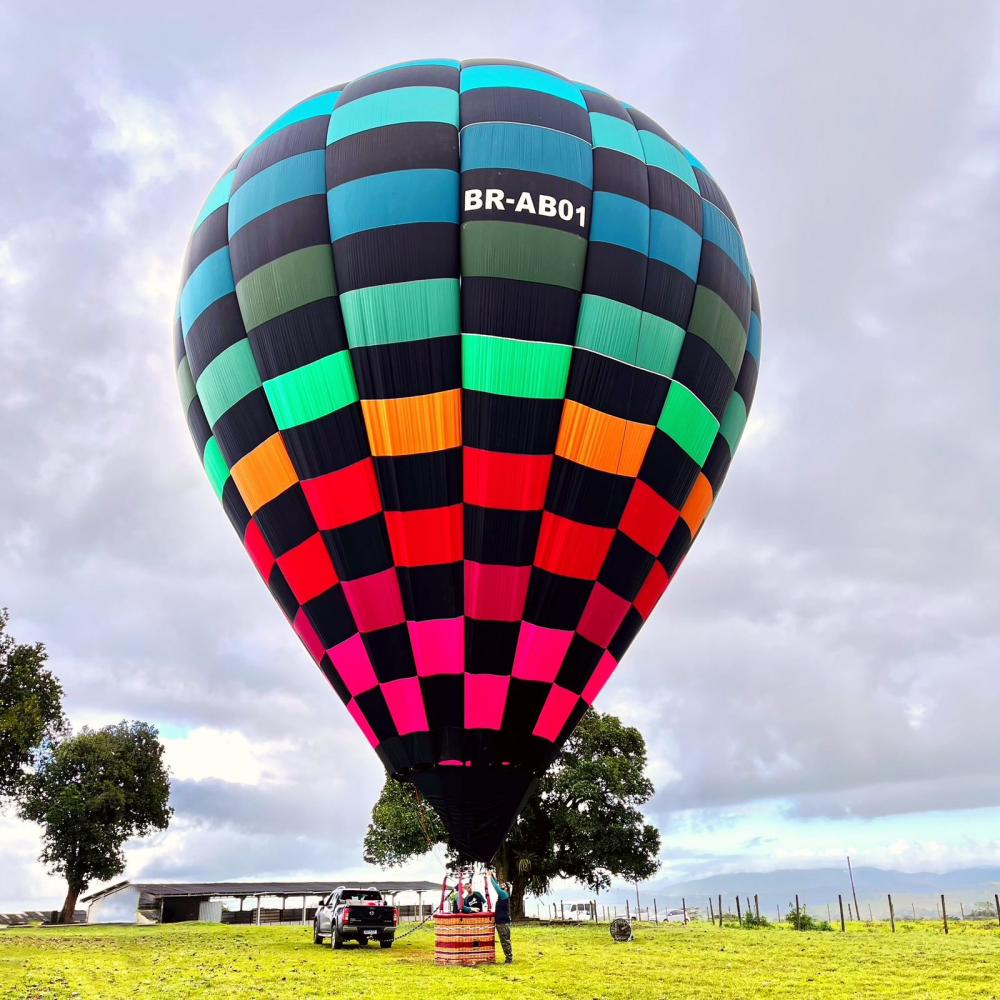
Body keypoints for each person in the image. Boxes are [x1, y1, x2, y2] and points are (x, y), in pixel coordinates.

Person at [490, 871, 513, 963]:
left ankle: (509, 959)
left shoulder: (504, 894)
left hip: (502, 923)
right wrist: (492, 875)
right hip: (502, 922)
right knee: (505, 940)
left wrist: (489, 877)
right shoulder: (503, 895)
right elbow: (497, 884)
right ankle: (509, 958)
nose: (501, 885)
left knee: (505, 941)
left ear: (506, 888)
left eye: (504, 885)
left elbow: (496, 887)